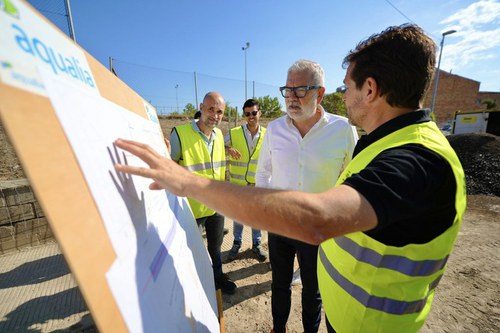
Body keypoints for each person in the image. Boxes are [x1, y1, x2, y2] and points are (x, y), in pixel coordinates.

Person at [114, 24, 466, 333]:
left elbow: (317, 219)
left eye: (347, 87)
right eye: (288, 91)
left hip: (370, 324)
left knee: (309, 295)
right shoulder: (385, 143)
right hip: (343, 311)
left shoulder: (416, 160)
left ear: (370, 89)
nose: (346, 96)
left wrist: (189, 183)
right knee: (280, 284)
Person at [256, 59, 358, 333]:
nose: (291, 98)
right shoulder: (275, 129)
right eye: (287, 90)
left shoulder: (343, 131)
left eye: (300, 90)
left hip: (318, 230)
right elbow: (262, 172)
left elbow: (354, 178)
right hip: (281, 226)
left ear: (320, 93)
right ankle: (279, 329)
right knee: (280, 284)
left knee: (313, 290)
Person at [169, 91, 236, 295]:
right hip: (192, 209)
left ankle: (217, 278)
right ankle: (197, 288)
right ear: (201, 107)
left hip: (216, 206)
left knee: (215, 249)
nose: (214, 115)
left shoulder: (217, 136)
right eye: (210, 109)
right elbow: (169, 166)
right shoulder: (180, 134)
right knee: (193, 253)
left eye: (219, 112)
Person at [225, 98, 268, 262]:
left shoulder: (267, 134)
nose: (251, 116)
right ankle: (236, 243)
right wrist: (229, 149)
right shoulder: (235, 132)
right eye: (247, 114)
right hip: (238, 186)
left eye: (254, 113)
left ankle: (256, 245)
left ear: (260, 113)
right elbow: (219, 143)